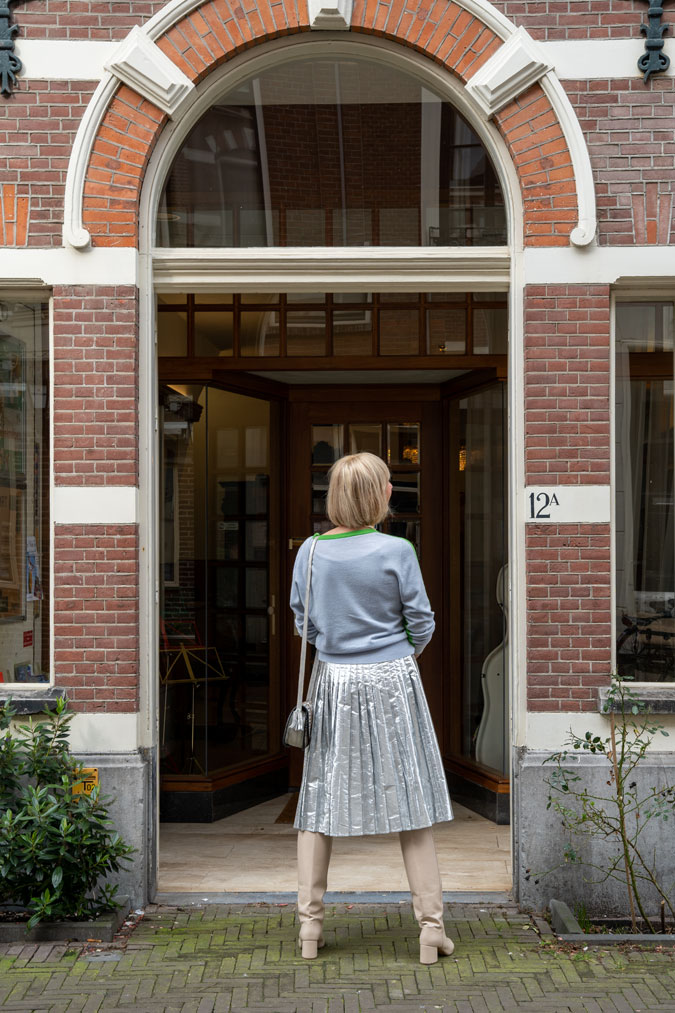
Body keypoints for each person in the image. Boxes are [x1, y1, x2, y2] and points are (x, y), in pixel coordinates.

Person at [290, 451, 454, 965]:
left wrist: (339, 643)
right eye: (387, 484)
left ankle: (310, 928)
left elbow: (303, 623)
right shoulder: (397, 550)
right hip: (392, 680)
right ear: (380, 494)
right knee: (412, 799)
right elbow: (421, 621)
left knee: (318, 801)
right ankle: (431, 930)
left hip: (333, 680)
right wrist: (395, 655)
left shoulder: (310, 551)